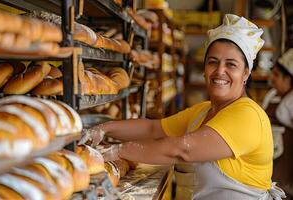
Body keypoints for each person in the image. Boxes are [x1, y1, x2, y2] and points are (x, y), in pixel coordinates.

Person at [79, 14, 285, 200]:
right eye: (213, 62)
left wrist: (117, 151)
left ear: (246, 74)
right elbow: (153, 129)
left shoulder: (247, 115)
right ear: (204, 69)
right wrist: (106, 128)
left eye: (231, 64)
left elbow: (181, 150)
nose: (219, 71)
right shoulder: (204, 111)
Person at [261, 49, 293, 199]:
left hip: (286, 157)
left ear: (288, 79)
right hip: (270, 155)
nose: (271, 78)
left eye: (277, 75)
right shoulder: (272, 95)